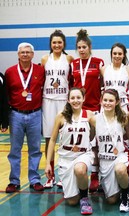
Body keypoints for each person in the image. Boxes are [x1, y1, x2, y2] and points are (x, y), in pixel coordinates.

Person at [45, 87, 95, 215]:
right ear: (68, 100)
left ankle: (84, 198)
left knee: (80, 169)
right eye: (72, 98)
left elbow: (101, 129)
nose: (75, 100)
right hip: (66, 158)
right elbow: (52, 140)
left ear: (83, 99)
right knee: (72, 201)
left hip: (83, 155)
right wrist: (47, 164)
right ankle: (78, 188)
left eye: (78, 97)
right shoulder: (61, 116)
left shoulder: (89, 115)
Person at [5, 42, 45, 193]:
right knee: (15, 150)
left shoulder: (41, 71)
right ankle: (14, 181)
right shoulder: (10, 72)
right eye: (22, 52)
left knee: (35, 149)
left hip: (35, 114)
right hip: (16, 114)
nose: (25, 54)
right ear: (18, 54)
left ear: (33, 54)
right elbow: (6, 94)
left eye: (28, 52)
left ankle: (34, 180)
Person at [71, 29, 105, 193]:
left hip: (95, 109)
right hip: (79, 110)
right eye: (79, 47)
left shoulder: (99, 62)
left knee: (96, 144)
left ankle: (95, 175)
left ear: (89, 47)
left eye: (84, 46)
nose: (82, 50)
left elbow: (105, 85)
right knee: (81, 142)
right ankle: (80, 172)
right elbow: (71, 87)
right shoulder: (73, 64)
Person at [41, 29, 74, 188]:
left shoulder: (68, 58)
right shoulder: (44, 59)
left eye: (59, 42)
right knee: (49, 138)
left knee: (65, 139)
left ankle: (63, 174)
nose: (57, 45)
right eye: (54, 42)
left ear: (64, 44)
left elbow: (73, 81)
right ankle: (50, 175)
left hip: (63, 101)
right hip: (48, 101)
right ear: (50, 44)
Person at [94, 89, 129, 212]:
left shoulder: (123, 118)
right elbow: (92, 142)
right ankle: (122, 185)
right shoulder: (94, 119)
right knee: (111, 200)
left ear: (117, 102)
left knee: (120, 170)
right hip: (105, 160)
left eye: (111, 100)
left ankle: (126, 195)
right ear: (101, 101)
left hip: (120, 156)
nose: (107, 103)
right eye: (105, 100)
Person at [101, 42, 129, 113]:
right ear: (111, 54)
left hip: (123, 104)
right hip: (107, 104)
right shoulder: (104, 69)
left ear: (124, 55)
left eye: (120, 54)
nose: (117, 56)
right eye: (114, 53)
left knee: (123, 124)